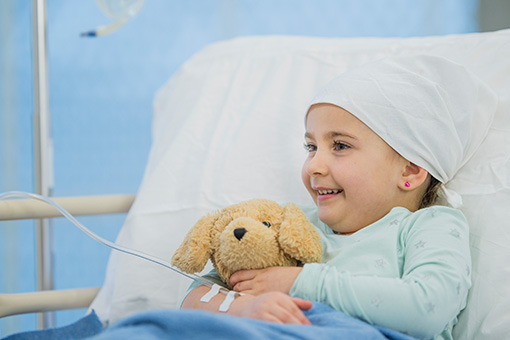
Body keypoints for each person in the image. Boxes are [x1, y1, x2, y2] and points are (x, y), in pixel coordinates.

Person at [180, 55, 498, 340]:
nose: (315, 165)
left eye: (340, 146)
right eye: (311, 147)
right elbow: (197, 296)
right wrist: (242, 309)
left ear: (410, 171)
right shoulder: (292, 224)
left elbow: (428, 308)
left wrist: (299, 282)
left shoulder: (430, 225)